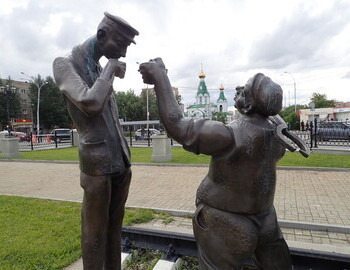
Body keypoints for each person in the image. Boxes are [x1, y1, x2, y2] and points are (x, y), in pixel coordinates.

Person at [139, 58, 304, 269]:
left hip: (224, 221)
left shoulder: (229, 135)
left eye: (243, 91)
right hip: (265, 219)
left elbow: (177, 125)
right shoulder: (276, 136)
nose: (238, 92)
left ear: (252, 104)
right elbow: (272, 117)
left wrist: (160, 77)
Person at [53, 12, 138, 270]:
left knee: (114, 230)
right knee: (94, 235)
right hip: (97, 166)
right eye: (121, 45)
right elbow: (91, 104)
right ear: (102, 35)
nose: (122, 54)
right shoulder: (65, 64)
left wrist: (107, 69)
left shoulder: (100, 67)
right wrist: (111, 69)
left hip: (120, 162)